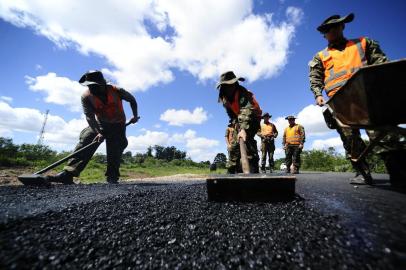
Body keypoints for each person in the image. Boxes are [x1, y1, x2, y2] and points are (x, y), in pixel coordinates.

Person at [308, 13, 388, 184]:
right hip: (341, 102)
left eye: (337, 26)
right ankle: (362, 172)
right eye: (329, 29)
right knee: (350, 139)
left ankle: (398, 170)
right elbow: (315, 78)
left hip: (368, 97)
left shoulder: (363, 43)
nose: (333, 30)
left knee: (382, 134)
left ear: (343, 27)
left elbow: (382, 64)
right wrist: (318, 95)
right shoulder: (320, 56)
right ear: (325, 34)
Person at [50, 70, 139, 184]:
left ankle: (112, 177)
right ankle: (68, 174)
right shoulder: (86, 97)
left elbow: (132, 100)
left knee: (115, 148)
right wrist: (98, 132)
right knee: (87, 139)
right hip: (100, 124)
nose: (91, 88)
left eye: (94, 86)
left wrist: (135, 116)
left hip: (118, 125)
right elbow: (89, 117)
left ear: (102, 84)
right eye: (89, 86)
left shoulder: (117, 91)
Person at [217, 71, 262, 174]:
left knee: (246, 141)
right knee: (234, 146)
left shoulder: (242, 93)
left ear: (235, 84)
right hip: (240, 119)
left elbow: (246, 111)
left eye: (231, 85)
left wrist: (243, 129)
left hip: (253, 118)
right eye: (226, 86)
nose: (230, 88)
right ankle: (231, 172)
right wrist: (236, 123)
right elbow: (231, 114)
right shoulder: (225, 99)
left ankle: (253, 170)